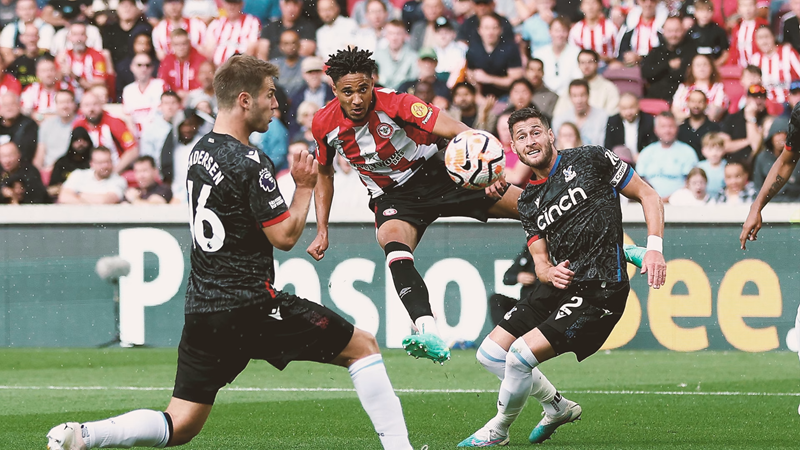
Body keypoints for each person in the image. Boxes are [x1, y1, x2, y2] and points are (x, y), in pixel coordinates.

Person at [46, 54, 418, 450]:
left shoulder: (198, 152)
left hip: (204, 310)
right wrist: (305, 186)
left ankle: (84, 435)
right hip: (250, 305)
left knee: (182, 423)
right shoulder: (250, 162)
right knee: (363, 346)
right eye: (269, 96)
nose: (275, 105)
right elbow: (286, 236)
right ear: (245, 100)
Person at [457, 106, 666, 447]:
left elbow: (648, 194)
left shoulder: (591, 159)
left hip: (601, 288)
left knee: (520, 355)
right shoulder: (528, 202)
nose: (530, 140)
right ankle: (557, 407)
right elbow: (539, 261)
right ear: (514, 149)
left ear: (551, 135)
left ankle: (499, 430)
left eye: (536, 131)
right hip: (561, 282)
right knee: (490, 355)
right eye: (521, 137)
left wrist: (654, 247)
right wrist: (546, 270)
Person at [309, 47, 523, 363]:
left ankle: (605, 243)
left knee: (530, 205)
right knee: (392, 244)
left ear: (372, 82)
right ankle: (427, 329)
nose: (357, 99)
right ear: (334, 89)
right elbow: (324, 175)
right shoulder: (323, 124)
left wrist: (488, 172)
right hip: (393, 198)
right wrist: (322, 229)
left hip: (436, 173)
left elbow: (458, 130)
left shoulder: (397, 103)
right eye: (348, 92)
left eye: (363, 89)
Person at [636, 111, 698, 200]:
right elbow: (640, 180)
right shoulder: (646, 152)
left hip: (678, 202)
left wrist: (667, 199)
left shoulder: (688, 152)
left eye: (670, 126)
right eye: (663, 127)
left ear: (677, 128)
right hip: (650, 202)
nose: (667, 131)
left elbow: (691, 182)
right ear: (655, 129)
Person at [73, 91, 139, 174]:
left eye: (95, 104)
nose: (91, 109)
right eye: (87, 105)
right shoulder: (78, 126)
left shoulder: (115, 122)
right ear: (81, 108)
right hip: (89, 174)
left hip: (115, 170)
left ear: (101, 105)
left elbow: (133, 150)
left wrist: (115, 172)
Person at [465, 14, 523, 99]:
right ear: (479, 30)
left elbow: (515, 81)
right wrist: (478, 96)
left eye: (494, 28)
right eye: (486, 28)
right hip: (481, 96)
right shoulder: (473, 49)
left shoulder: (510, 48)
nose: (490, 32)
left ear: (500, 30)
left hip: (507, 95)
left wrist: (488, 79)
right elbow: (470, 77)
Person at [641, 16, 695, 102]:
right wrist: (668, 65)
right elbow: (646, 72)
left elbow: (684, 75)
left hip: (682, 100)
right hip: (656, 98)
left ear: (683, 31)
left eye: (677, 31)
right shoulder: (656, 52)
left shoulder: (691, 50)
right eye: (670, 31)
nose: (673, 35)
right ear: (664, 32)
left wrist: (660, 72)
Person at [552, 49, 619, 116]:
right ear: (578, 65)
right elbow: (558, 114)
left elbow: (612, 115)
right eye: (582, 63)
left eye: (590, 62)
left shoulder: (609, 87)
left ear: (597, 64)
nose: (586, 66)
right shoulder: (572, 87)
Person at [56, 145, 128, 204]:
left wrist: (78, 195)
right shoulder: (78, 174)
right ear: (92, 164)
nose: (105, 166)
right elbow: (63, 197)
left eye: (108, 162)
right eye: (100, 162)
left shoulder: (119, 180)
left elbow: (104, 201)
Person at [752, 116, 800, 201]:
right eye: (778, 133)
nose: (782, 137)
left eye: (786, 133)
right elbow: (757, 188)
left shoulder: (798, 158)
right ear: (771, 137)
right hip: (769, 206)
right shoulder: (762, 158)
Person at [487, 246, 537, 326]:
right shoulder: (529, 251)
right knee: (496, 299)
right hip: (524, 304)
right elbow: (507, 277)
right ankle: (502, 333)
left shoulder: (555, 252)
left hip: (542, 306)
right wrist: (518, 277)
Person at [671, 54, 729, 123]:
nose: (702, 68)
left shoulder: (718, 88)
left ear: (711, 68)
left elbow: (714, 114)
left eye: (705, 64)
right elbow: (675, 112)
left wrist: (691, 119)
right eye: (698, 65)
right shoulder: (683, 88)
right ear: (691, 69)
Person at [720, 84, 771, 163]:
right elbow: (724, 146)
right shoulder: (732, 118)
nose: (758, 101)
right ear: (747, 99)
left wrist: (750, 117)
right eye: (754, 97)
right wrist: (748, 140)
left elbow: (755, 146)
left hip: (758, 164)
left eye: (762, 97)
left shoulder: (768, 119)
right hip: (734, 163)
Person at [122, 52, 168, 138]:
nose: (144, 69)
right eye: (139, 65)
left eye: (147, 65)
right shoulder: (128, 90)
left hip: (158, 135)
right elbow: (128, 119)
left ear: (152, 68)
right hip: (137, 138)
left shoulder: (160, 85)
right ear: (132, 67)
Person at [551, 79, 608, 147]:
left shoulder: (602, 117)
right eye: (574, 96)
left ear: (588, 95)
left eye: (582, 95)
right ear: (570, 97)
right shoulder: (559, 120)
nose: (579, 100)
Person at [605, 92, 657, 164]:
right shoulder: (613, 121)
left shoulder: (648, 120)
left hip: (644, 162)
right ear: (619, 108)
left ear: (638, 106)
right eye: (624, 108)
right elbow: (608, 146)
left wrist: (643, 155)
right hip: (620, 163)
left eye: (632, 107)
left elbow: (653, 145)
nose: (628, 112)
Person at [33, 89, 78, 173]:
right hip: (47, 170)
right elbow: (40, 153)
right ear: (56, 105)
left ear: (74, 104)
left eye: (68, 102)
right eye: (60, 103)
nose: (64, 106)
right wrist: (36, 173)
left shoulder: (80, 124)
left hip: (71, 170)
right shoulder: (46, 124)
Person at [204, 0, 261, 66]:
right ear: (224, 4)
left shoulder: (252, 22)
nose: (232, 7)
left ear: (242, 4)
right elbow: (209, 50)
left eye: (235, 3)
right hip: (217, 68)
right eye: (229, 3)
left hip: (240, 67)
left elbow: (251, 49)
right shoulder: (216, 24)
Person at [157, 28, 208, 99]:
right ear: (171, 45)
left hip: (196, 99)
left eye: (184, 44)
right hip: (174, 100)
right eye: (177, 44)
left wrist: (189, 94)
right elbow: (163, 82)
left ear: (189, 43)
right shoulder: (167, 61)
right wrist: (175, 95)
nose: (181, 48)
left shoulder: (201, 60)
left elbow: (205, 84)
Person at [47, 126, 92, 200]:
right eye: (77, 140)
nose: (81, 144)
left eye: (84, 140)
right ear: (71, 142)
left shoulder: (93, 162)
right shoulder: (62, 163)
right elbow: (51, 189)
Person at [685, 0, 729, 66]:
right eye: (701, 11)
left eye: (708, 11)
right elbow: (687, 52)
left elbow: (725, 53)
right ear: (695, 13)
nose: (705, 15)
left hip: (715, 66)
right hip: (696, 68)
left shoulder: (719, 31)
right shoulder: (691, 32)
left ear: (713, 12)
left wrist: (715, 65)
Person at [0, 91, 39, 164]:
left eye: (12, 104)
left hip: (20, 169)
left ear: (19, 105)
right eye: (5, 105)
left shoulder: (29, 125)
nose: (9, 108)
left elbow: (26, 155)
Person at [727, 0, 769, 68]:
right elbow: (733, 50)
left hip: (759, 67)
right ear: (738, 9)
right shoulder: (736, 27)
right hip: (740, 68)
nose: (748, 8)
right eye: (744, 5)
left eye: (750, 5)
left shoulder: (763, 25)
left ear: (756, 7)